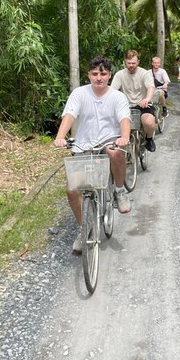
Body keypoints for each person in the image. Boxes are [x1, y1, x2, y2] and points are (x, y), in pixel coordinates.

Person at [54, 56, 131, 255]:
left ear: (109, 75)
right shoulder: (79, 93)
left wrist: (124, 137)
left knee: (116, 153)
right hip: (83, 145)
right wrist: (60, 137)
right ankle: (84, 228)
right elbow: (69, 115)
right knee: (72, 190)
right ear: (88, 74)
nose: (99, 78)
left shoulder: (117, 97)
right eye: (95, 74)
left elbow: (124, 118)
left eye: (103, 74)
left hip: (109, 140)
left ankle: (119, 190)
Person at [111, 49, 157, 152]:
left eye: (133, 63)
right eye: (129, 63)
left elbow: (150, 87)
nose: (131, 65)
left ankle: (149, 139)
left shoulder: (144, 73)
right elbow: (112, 91)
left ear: (138, 62)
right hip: (125, 106)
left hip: (142, 105)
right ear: (125, 62)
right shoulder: (120, 74)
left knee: (149, 121)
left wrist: (147, 99)